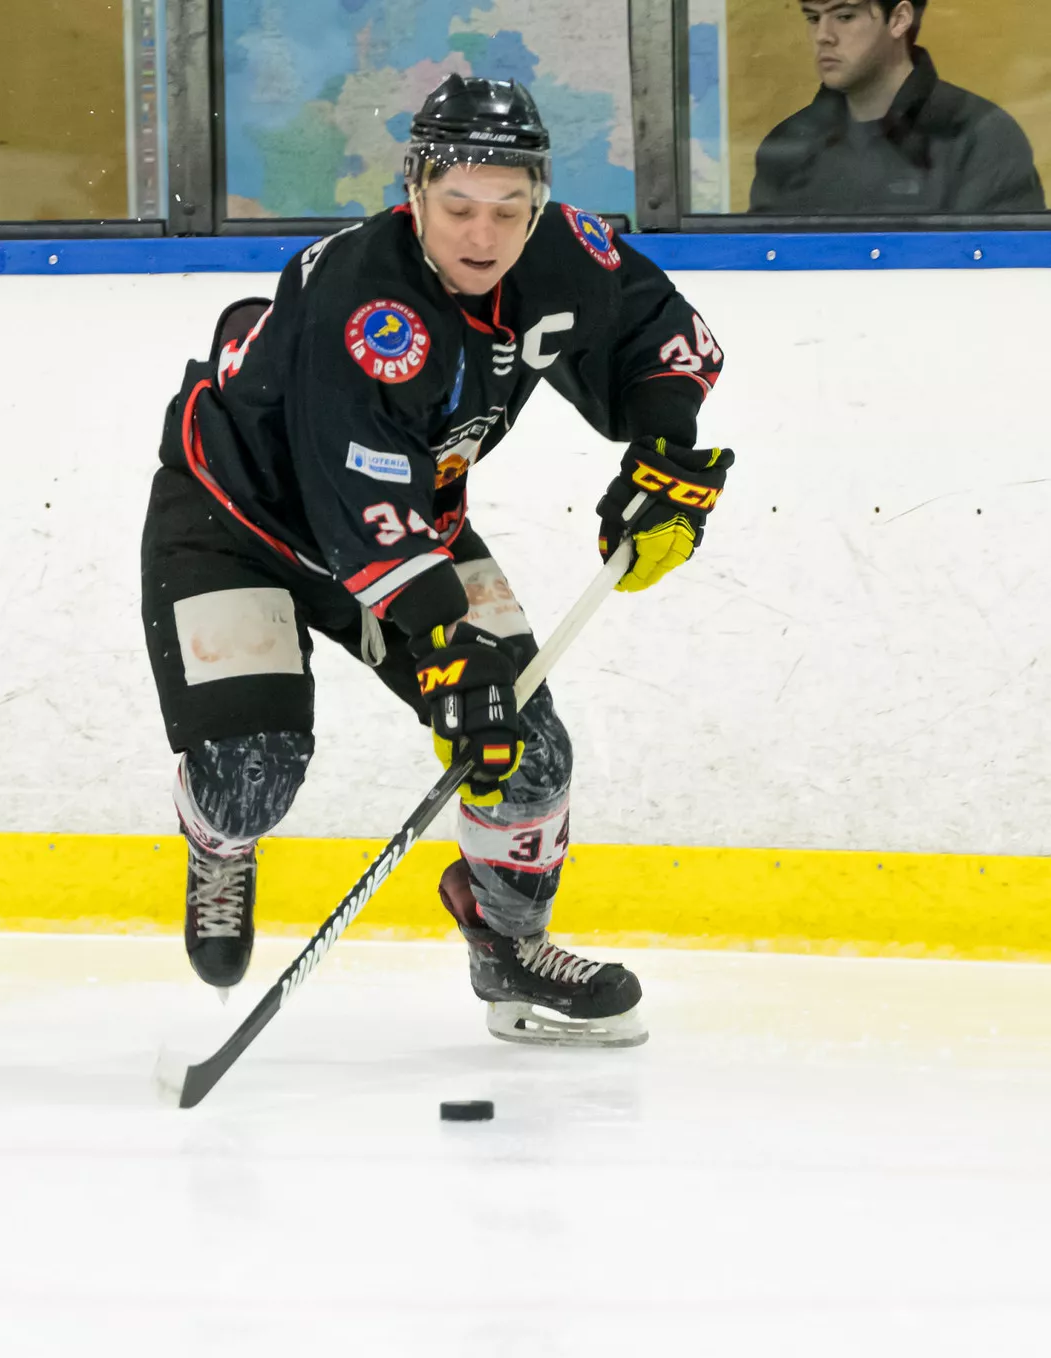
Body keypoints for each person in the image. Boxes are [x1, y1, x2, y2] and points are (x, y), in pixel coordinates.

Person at [140, 76, 734, 1047]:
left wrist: (663, 450)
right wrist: (447, 643)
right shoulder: (359, 301)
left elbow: (660, 331)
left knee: (525, 747)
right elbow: (352, 500)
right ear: (412, 191)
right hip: (235, 522)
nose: (482, 234)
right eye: (457, 205)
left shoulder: (563, 251)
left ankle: (508, 945)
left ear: (538, 201)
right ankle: (217, 838)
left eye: (508, 207)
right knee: (253, 775)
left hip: (413, 519)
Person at [750, 0, 1044, 214]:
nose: (823, 35)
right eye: (813, 18)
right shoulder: (788, 145)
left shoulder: (980, 137)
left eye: (845, 16)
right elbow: (759, 265)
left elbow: (1008, 269)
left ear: (899, 19)